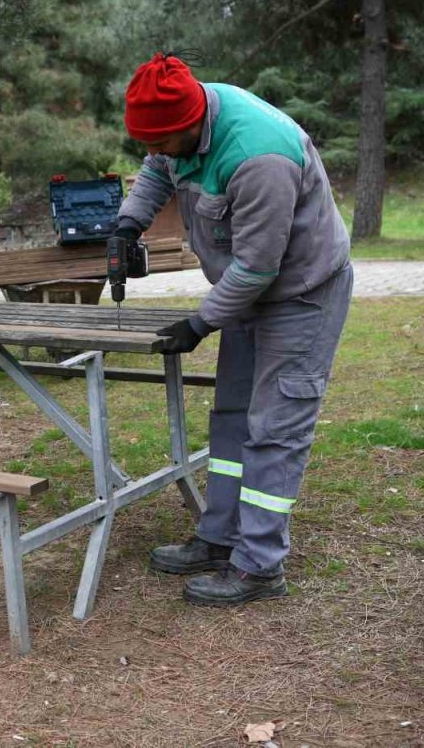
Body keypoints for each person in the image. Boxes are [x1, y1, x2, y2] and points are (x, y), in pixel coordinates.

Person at [113, 53, 353, 606]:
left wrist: (200, 323)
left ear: (191, 122)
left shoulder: (259, 155)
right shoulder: (178, 128)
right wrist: (129, 223)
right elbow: (157, 170)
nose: (154, 151)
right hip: (245, 292)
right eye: (146, 142)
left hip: (301, 293)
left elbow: (257, 268)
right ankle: (219, 537)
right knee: (231, 417)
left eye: (161, 141)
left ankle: (260, 566)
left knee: (275, 427)